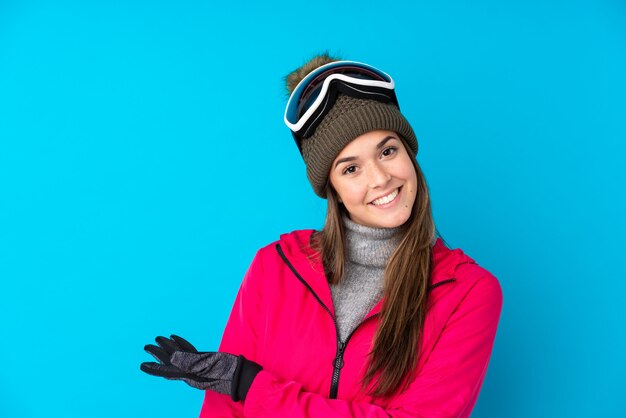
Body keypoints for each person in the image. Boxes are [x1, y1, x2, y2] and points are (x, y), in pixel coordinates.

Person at [141, 54, 503, 417]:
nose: (379, 178)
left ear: (409, 153)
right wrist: (237, 384)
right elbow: (225, 410)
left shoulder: (468, 292)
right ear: (332, 188)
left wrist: (251, 385)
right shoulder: (275, 266)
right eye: (351, 168)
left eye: (388, 151)